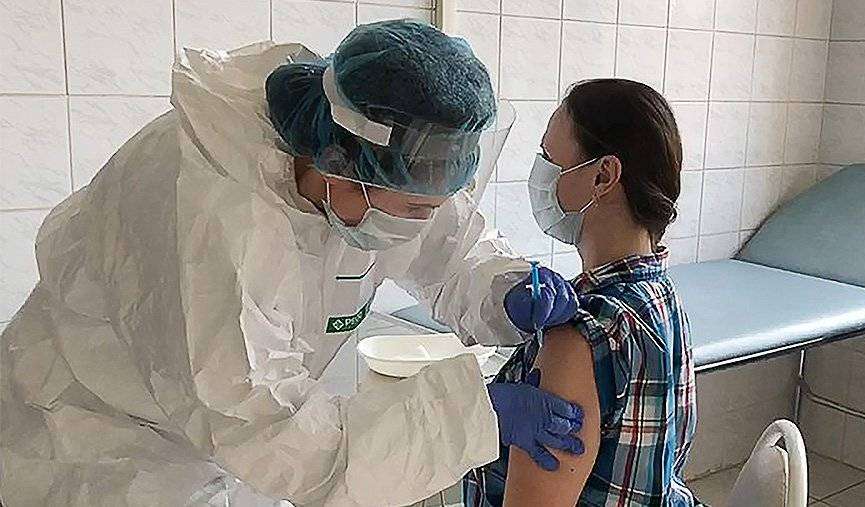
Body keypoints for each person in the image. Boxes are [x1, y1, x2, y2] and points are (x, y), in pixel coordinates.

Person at [0, 20, 584, 506]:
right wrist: (469, 417)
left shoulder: (357, 161)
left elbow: (446, 245)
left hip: (206, 441)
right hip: (96, 452)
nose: (427, 221)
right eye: (415, 208)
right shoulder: (218, 219)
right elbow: (268, 429)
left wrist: (500, 289)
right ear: (341, 170)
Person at [465, 79, 698, 506]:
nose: (540, 175)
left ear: (603, 176)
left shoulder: (576, 338)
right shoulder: (662, 295)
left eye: (549, 159)